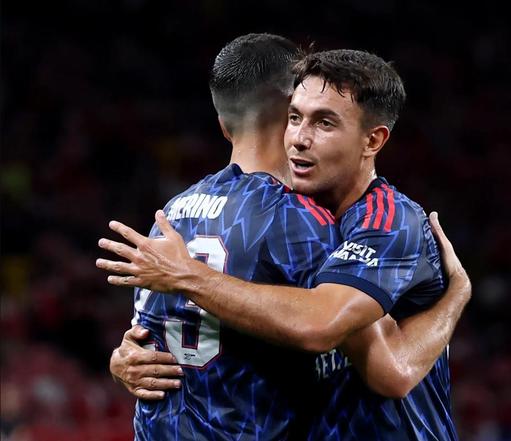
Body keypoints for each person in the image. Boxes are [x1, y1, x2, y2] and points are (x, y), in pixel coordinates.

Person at [98, 48, 469, 440]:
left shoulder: (388, 220)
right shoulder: (296, 216)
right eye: (294, 117)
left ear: (372, 140)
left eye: (324, 123)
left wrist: (457, 296)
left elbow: (386, 367)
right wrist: (128, 357)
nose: (300, 138)